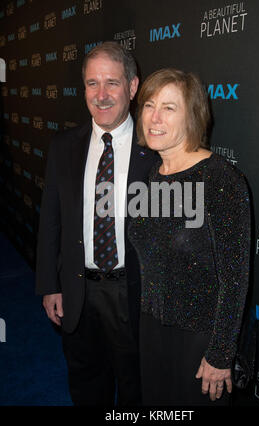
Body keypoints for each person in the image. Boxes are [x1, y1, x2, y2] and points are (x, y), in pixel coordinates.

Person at [35, 42, 157, 406]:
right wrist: (49, 285)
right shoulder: (63, 146)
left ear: (133, 87)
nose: (101, 96)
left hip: (133, 298)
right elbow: (51, 222)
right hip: (78, 292)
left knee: (138, 392)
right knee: (87, 386)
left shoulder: (155, 150)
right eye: (92, 84)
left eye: (112, 83)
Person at [128, 68, 251, 406]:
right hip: (153, 328)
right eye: (149, 105)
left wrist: (220, 353)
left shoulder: (220, 180)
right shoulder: (154, 173)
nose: (153, 117)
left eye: (169, 107)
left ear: (192, 116)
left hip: (200, 339)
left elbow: (235, 279)